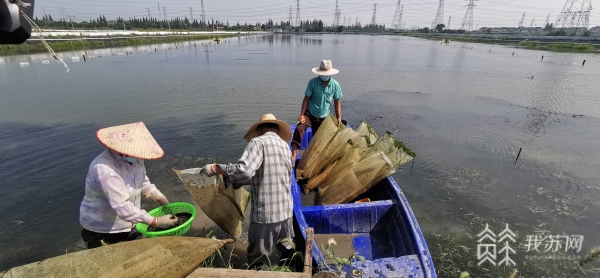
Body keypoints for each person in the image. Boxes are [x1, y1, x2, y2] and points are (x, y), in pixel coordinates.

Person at [203, 114, 294, 269]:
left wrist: (216, 168)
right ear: (277, 130)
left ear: (259, 130)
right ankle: (287, 271)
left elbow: (244, 171)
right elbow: (269, 177)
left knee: (256, 257)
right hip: (286, 214)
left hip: (266, 217)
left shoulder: (258, 142)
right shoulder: (285, 146)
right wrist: (235, 181)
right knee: (287, 251)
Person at [79, 122, 178, 249]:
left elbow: (143, 182)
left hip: (130, 222)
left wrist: (161, 198)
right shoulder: (105, 168)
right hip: (101, 229)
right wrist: (156, 222)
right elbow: (121, 206)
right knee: (110, 265)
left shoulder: (135, 158)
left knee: (138, 258)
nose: (140, 156)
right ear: (124, 149)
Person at [291, 60, 343, 164]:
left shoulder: (335, 85)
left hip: (325, 116)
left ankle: (320, 156)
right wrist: (302, 114)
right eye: (323, 74)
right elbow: (306, 99)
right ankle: (294, 154)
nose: (325, 76)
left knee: (326, 137)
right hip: (310, 114)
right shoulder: (312, 83)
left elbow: (337, 103)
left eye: (327, 74)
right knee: (299, 128)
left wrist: (339, 118)